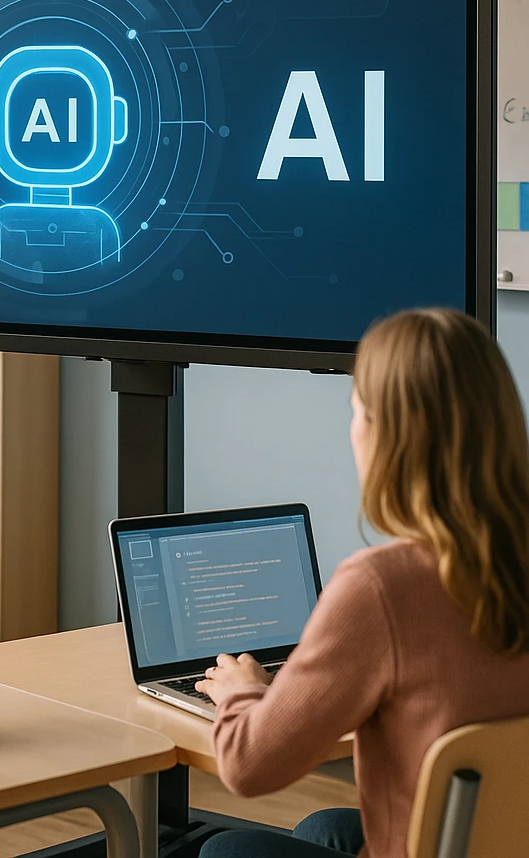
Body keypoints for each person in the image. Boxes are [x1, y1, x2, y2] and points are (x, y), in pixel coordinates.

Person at [195, 308, 529, 858]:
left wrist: (243, 694)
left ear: (386, 434)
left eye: (356, 411)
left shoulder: (382, 588)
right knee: (327, 827)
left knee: (226, 849)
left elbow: (249, 767)